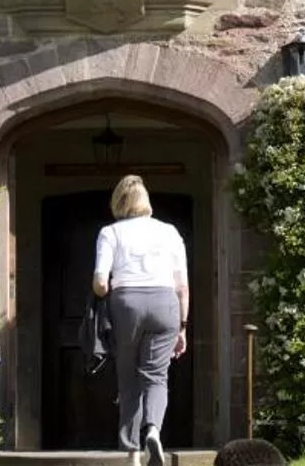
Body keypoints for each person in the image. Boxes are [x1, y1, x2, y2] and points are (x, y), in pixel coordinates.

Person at [93, 173, 189, 466]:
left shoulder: (110, 233)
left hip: (127, 303)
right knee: (156, 377)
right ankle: (153, 431)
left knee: (128, 377)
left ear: (118, 202)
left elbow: (100, 280)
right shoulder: (170, 232)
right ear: (146, 201)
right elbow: (182, 286)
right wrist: (183, 327)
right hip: (165, 302)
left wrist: (102, 290)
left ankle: (132, 455)